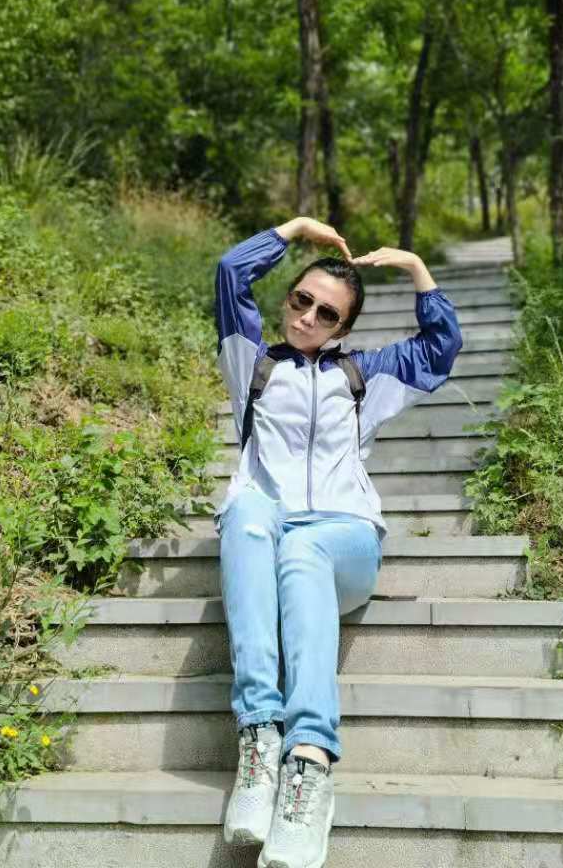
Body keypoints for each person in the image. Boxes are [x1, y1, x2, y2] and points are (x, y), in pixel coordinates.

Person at [212, 215, 464, 868]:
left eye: (327, 313)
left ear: (343, 328)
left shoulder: (365, 377)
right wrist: (295, 229)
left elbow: (440, 348)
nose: (308, 317)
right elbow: (230, 272)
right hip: (267, 536)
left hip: (342, 542)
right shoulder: (252, 362)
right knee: (243, 511)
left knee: (303, 550)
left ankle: (310, 760)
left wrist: (417, 270)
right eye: (302, 300)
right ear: (287, 299)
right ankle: (260, 738)